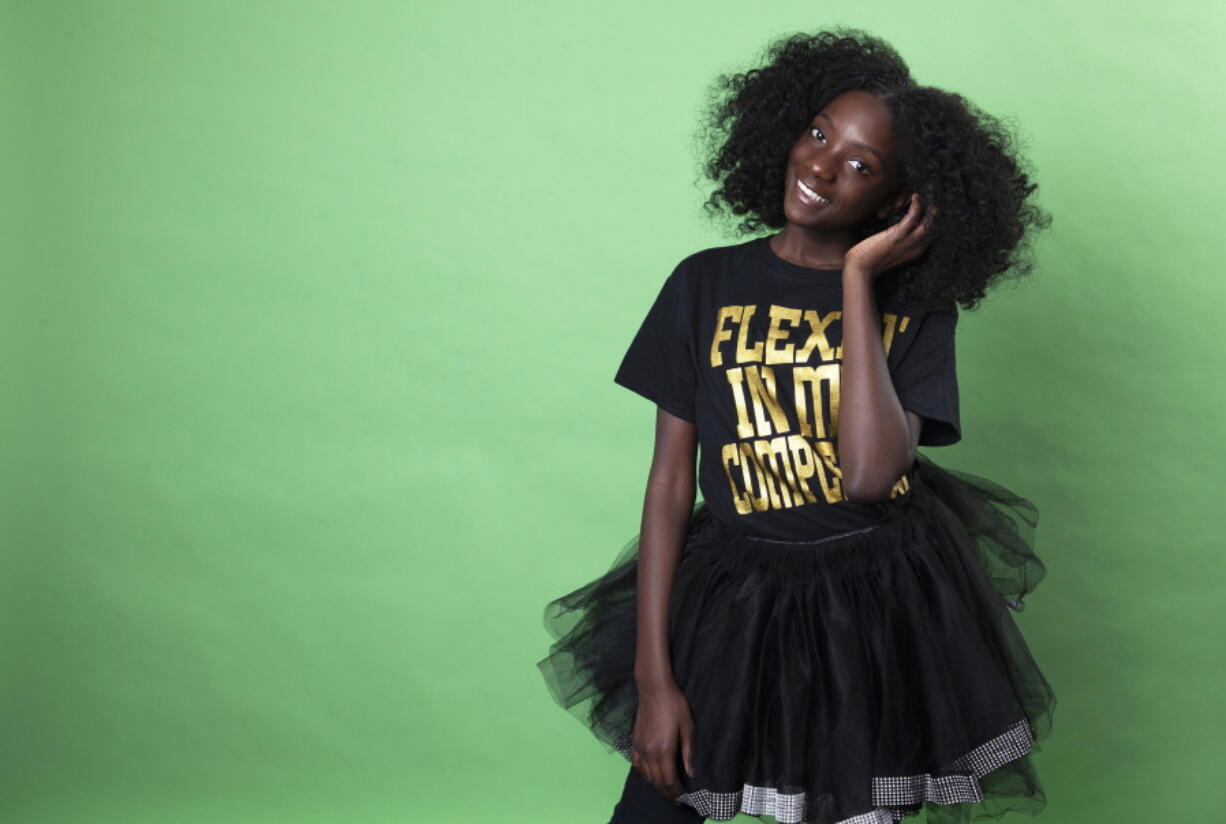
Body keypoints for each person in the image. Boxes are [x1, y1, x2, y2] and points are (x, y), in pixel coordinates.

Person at [537, 27, 1056, 824]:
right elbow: (671, 483)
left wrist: (857, 278)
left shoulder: (914, 311)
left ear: (893, 203)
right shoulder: (704, 284)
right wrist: (654, 678)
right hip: (734, 594)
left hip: (873, 603)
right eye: (819, 135)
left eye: (860, 165)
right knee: (655, 807)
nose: (820, 167)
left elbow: (872, 475)